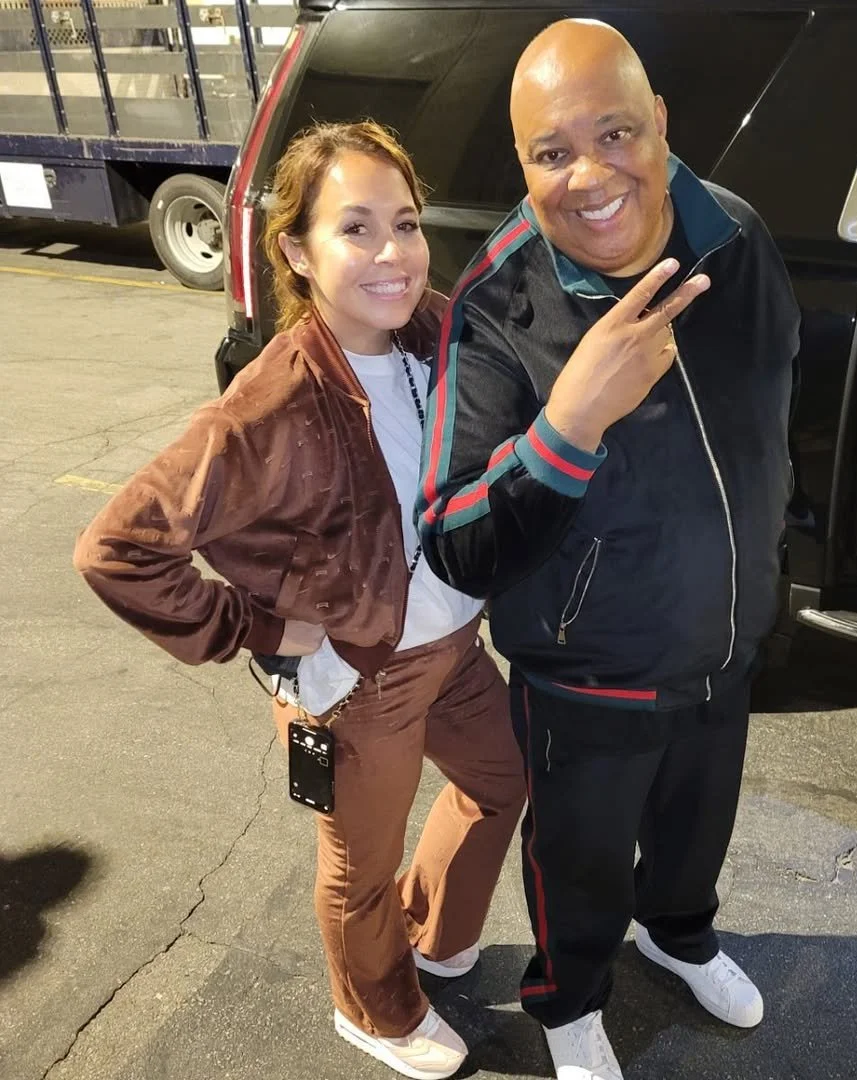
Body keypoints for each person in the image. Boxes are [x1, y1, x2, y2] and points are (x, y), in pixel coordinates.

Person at [73, 121, 525, 1080]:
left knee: (502, 781)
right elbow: (115, 547)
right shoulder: (272, 400)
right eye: (355, 229)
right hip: (360, 677)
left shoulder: (435, 329)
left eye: (405, 223)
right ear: (296, 250)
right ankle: (373, 1007)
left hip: (452, 644)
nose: (392, 253)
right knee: (360, 863)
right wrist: (261, 627)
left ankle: (431, 931)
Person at [416, 20, 800, 1080]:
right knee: (578, 862)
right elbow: (452, 539)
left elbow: (772, 416)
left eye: (616, 132)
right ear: (525, 162)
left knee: (695, 829)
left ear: (661, 125)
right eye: (550, 152)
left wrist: (768, 561)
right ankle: (569, 998)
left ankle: (678, 936)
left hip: (724, 648)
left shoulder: (738, 240)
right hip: (586, 680)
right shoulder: (498, 298)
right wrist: (566, 427)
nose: (588, 176)